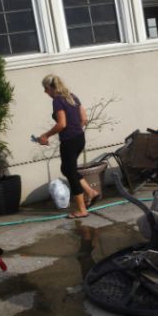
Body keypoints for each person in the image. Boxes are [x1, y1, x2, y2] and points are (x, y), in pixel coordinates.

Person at [37, 74, 99, 219]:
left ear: (50, 88)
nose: (45, 93)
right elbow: (84, 119)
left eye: (45, 89)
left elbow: (62, 124)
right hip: (79, 138)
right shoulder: (72, 97)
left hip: (69, 141)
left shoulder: (57, 100)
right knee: (67, 169)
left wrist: (45, 136)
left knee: (70, 173)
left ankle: (82, 209)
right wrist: (75, 130)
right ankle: (90, 192)